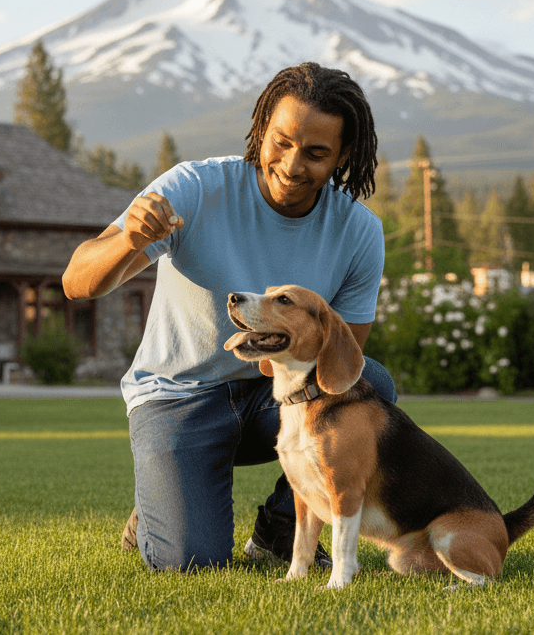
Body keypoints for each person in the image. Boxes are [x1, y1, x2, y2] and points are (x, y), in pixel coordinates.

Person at [62, 62, 397, 572]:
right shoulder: (196, 187)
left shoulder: (358, 232)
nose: (291, 164)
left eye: (316, 153)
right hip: (178, 398)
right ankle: (163, 494)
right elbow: (77, 283)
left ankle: (280, 533)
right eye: (281, 142)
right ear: (262, 128)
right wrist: (130, 238)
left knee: (369, 385)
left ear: (343, 157)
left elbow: (342, 362)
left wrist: (274, 356)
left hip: (274, 401)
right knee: (190, 563)